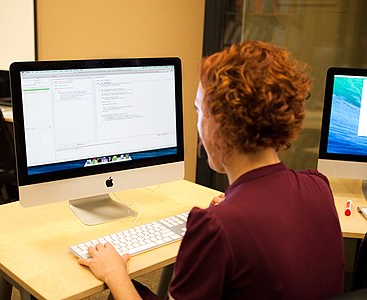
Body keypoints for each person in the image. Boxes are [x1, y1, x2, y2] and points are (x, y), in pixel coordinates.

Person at [77, 40, 345, 299]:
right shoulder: (318, 186)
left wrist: (114, 273)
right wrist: (232, 210)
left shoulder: (215, 227)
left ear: (218, 123)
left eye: (199, 110)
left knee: (122, 285)